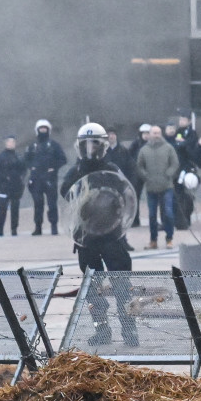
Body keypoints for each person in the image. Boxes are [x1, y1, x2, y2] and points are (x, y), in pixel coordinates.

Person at [61, 123, 138, 347]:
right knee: (93, 289)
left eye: (94, 144)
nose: (90, 149)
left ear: (103, 145)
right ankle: (102, 330)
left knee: (122, 286)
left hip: (112, 236)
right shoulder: (75, 171)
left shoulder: (112, 169)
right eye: (86, 144)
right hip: (86, 239)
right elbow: (65, 192)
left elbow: (126, 192)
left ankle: (129, 331)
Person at [136, 125, 178, 249]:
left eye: (158, 132)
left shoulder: (169, 148)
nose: (156, 135)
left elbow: (175, 163)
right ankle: (153, 240)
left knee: (168, 213)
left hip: (167, 187)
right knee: (152, 215)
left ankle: (169, 238)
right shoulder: (144, 150)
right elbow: (139, 166)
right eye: (154, 133)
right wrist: (146, 176)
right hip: (151, 188)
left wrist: (168, 174)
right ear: (149, 134)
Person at [25, 119, 67, 235]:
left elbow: (63, 159)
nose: (43, 130)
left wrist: (54, 167)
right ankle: (38, 226)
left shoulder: (54, 145)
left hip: (50, 179)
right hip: (36, 179)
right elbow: (26, 159)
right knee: (38, 203)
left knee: (52, 204)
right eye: (41, 129)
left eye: (45, 129)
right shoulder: (32, 146)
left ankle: (54, 226)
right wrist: (31, 167)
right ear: (37, 130)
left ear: (48, 130)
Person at [0, 136, 26, 236]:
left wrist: (20, 178)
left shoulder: (18, 157)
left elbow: (24, 169)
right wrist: (2, 180)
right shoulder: (1, 157)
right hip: (4, 187)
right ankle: (0, 229)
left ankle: (14, 229)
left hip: (16, 187)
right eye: (9, 142)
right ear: (5, 143)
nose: (11, 144)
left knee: (15, 209)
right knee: (2, 209)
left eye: (13, 142)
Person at [127, 123, 151, 227]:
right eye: (144, 133)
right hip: (138, 173)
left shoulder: (153, 144)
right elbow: (129, 157)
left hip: (151, 173)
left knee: (153, 196)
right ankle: (135, 220)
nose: (146, 135)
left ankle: (153, 219)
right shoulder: (135, 144)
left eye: (147, 133)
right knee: (135, 196)